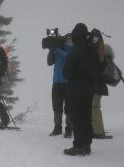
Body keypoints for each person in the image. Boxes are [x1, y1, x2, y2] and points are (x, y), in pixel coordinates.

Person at [63, 23, 102, 156]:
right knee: (86, 117)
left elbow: (66, 74)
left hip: (75, 92)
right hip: (89, 91)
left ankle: (79, 146)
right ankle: (87, 145)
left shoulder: (74, 53)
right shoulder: (92, 51)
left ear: (74, 37)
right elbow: (96, 72)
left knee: (77, 119)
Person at [47, 34, 73, 138]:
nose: (68, 40)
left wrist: (58, 50)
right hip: (56, 82)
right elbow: (49, 62)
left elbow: (69, 58)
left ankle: (69, 129)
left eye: (70, 39)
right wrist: (51, 49)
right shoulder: (58, 49)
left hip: (68, 82)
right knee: (57, 106)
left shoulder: (73, 50)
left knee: (69, 107)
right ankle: (57, 128)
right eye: (67, 39)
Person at [92, 44, 114, 139]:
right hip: (99, 87)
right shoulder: (107, 59)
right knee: (95, 108)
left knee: (95, 108)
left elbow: (97, 73)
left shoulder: (102, 60)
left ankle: (99, 131)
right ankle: (96, 129)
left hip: (97, 87)